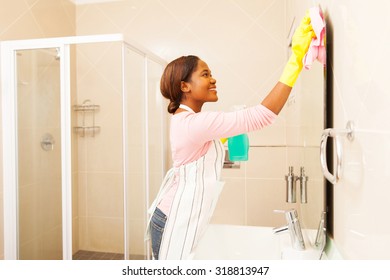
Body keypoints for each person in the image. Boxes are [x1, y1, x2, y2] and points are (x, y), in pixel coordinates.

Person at [147, 13, 315, 260]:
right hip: (173, 218)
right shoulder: (193, 123)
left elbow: (198, 151)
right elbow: (262, 116)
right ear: (185, 86)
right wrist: (296, 61)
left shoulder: (187, 120)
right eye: (205, 74)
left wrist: (223, 139)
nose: (213, 78)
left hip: (174, 214)